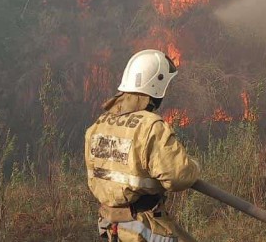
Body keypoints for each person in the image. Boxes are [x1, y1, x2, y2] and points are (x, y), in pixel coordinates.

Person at [85, 49, 200, 242]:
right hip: (142, 226)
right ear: (156, 87)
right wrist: (194, 166)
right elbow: (178, 177)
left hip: (109, 223)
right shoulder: (151, 127)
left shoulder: (98, 125)